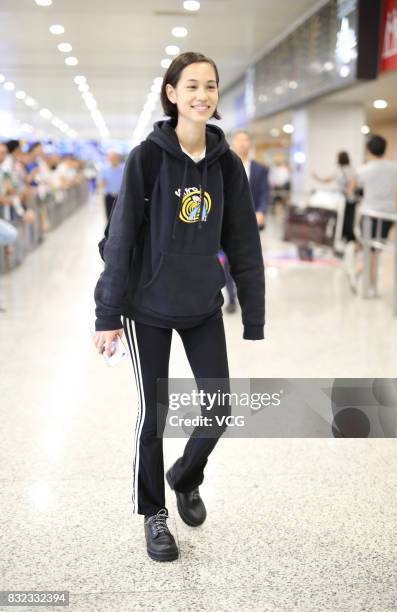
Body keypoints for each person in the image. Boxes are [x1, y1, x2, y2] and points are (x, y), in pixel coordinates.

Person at [92, 52, 265, 562]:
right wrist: (106, 314)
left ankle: (185, 476)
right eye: (191, 85)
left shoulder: (227, 163)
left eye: (210, 86)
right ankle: (154, 514)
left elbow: (243, 242)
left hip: (201, 305)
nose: (202, 95)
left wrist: (252, 314)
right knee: (156, 414)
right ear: (171, 94)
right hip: (147, 306)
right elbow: (121, 237)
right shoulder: (147, 157)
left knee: (220, 408)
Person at [222, 129, 269, 313]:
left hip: (251, 222)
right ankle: (232, 297)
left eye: (246, 140)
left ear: (250, 143)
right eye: (239, 140)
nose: (242, 144)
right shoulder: (224, 166)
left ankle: (246, 296)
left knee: (248, 261)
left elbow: (265, 193)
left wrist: (262, 211)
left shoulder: (260, 169)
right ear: (233, 143)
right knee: (227, 261)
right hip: (227, 222)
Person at [347, 134, 397, 296]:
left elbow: (350, 191)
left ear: (369, 150)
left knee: (369, 251)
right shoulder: (394, 167)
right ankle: (371, 286)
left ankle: (357, 274)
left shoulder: (364, 169)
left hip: (369, 214)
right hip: (388, 215)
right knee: (375, 252)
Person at [312, 150, 357, 242]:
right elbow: (328, 179)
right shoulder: (338, 170)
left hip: (349, 201)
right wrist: (317, 178)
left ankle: (349, 239)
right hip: (340, 200)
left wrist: (348, 191)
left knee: (348, 221)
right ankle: (339, 238)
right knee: (339, 219)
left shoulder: (349, 169)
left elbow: (353, 182)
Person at [99, 152, 125, 220]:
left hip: (120, 196)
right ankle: (110, 230)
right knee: (109, 216)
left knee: (121, 216)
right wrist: (102, 184)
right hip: (109, 196)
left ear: (118, 158)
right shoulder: (104, 170)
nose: (112, 160)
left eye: (114, 158)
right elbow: (101, 183)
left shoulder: (124, 168)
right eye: (111, 158)